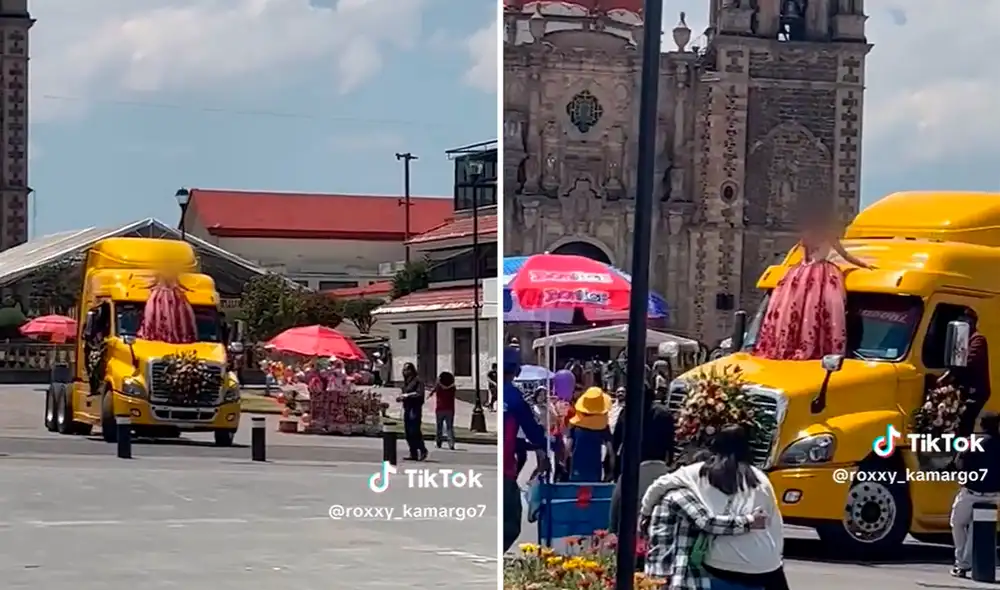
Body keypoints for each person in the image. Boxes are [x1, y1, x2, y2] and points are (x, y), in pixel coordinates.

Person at [640, 425, 787, 590]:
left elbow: (658, 485)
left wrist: (645, 513)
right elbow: (775, 524)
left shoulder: (696, 472)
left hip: (719, 563)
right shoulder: (760, 479)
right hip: (762, 565)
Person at [753, 207, 875, 361]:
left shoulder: (806, 235)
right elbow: (845, 255)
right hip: (820, 272)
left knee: (795, 307)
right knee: (818, 309)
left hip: (801, 271)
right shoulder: (829, 235)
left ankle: (790, 343)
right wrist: (863, 265)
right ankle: (815, 344)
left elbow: (805, 256)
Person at [643, 486, 768, 588]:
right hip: (676, 577)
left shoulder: (672, 495)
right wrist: (750, 520)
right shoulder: (680, 495)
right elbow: (707, 522)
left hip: (670, 574)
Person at [502, 347, 549, 552]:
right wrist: (541, 447)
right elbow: (532, 429)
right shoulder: (515, 397)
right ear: (516, 370)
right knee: (511, 524)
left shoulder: (500, 395)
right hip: (505, 470)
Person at [950, 412, 1000, 578]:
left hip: (972, 493)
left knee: (957, 523)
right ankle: (964, 563)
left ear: (982, 425)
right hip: (995, 495)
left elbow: (959, 463)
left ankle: (962, 564)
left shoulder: (973, 442)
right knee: (977, 528)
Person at [939, 309, 991, 437]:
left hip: (975, 391)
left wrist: (949, 375)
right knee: (958, 421)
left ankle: (965, 452)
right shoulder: (963, 339)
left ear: (971, 322)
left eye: (964, 320)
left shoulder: (978, 340)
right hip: (965, 389)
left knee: (966, 421)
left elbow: (968, 361)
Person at [565, 387, 614, 482]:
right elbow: (610, 450)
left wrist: (563, 463)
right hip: (594, 467)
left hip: (577, 466)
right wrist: (611, 471)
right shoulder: (603, 426)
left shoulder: (575, 424)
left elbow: (568, 447)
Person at [396, 363, 427, 461]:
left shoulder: (418, 381)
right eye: (404, 370)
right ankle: (413, 452)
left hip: (415, 408)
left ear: (411, 370)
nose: (404, 372)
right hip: (407, 408)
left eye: (406, 370)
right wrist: (401, 398)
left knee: (414, 431)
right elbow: (404, 393)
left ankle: (422, 450)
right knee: (408, 432)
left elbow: (420, 394)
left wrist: (407, 396)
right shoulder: (406, 382)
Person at [427, 371, 457, 450]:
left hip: (440, 409)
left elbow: (433, 390)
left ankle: (438, 442)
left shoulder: (439, 387)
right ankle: (451, 443)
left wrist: (438, 381)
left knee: (439, 427)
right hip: (450, 409)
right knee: (449, 427)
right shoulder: (453, 388)